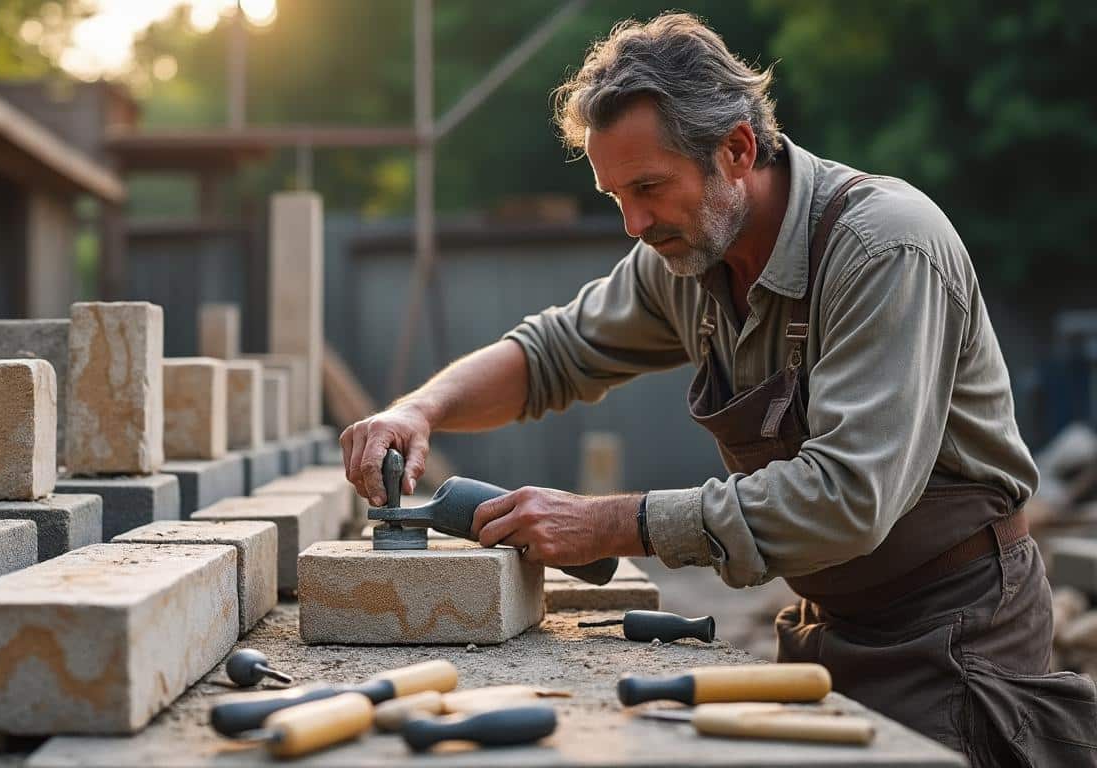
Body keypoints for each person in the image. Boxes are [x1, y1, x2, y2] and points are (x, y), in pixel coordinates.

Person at [339, 12, 1097, 766]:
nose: (634, 223)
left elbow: (847, 497)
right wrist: (420, 408)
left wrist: (615, 523)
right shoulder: (688, 255)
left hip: (956, 633)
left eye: (648, 187)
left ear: (736, 148)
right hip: (830, 621)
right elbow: (552, 355)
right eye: (615, 197)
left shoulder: (885, 249)